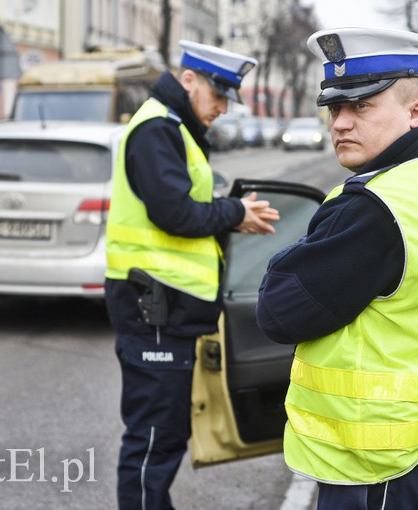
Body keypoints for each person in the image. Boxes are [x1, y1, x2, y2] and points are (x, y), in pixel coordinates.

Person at [256, 27, 418, 510]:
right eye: (335, 108)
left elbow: (277, 312)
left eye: (361, 106)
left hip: (385, 468)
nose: (339, 122)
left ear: (416, 112)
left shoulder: (373, 209)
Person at [104, 40, 279, 510]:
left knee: (166, 435)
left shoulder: (174, 128)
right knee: (153, 440)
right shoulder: (158, 129)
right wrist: (233, 211)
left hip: (166, 310)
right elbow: (175, 214)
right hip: (153, 308)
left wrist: (231, 213)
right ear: (188, 81)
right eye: (218, 95)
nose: (223, 108)